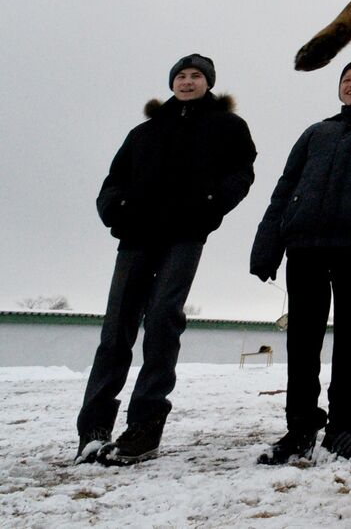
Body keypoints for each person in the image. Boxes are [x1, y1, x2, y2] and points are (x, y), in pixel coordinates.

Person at [77, 54, 256, 465]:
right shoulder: (144, 132)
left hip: (185, 236)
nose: (187, 81)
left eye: (196, 76)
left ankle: (145, 427)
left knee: (162, 320)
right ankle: (93, 430)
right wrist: (115, 211)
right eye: (180, 75)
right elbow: (113, 180)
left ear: (209, 83)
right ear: (171, 82)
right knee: (116, 329)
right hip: (136, 237)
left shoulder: (227, 127)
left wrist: (210, 207)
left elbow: (241, 173)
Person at [249, 59, 351, 464]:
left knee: (350, 341)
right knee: (301, 341)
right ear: (338, 88)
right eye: (347, 80)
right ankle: (300, 428)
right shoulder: (316, 133)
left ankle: (347, 428)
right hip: (304, 246)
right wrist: (267, 245)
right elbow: (284, 189)